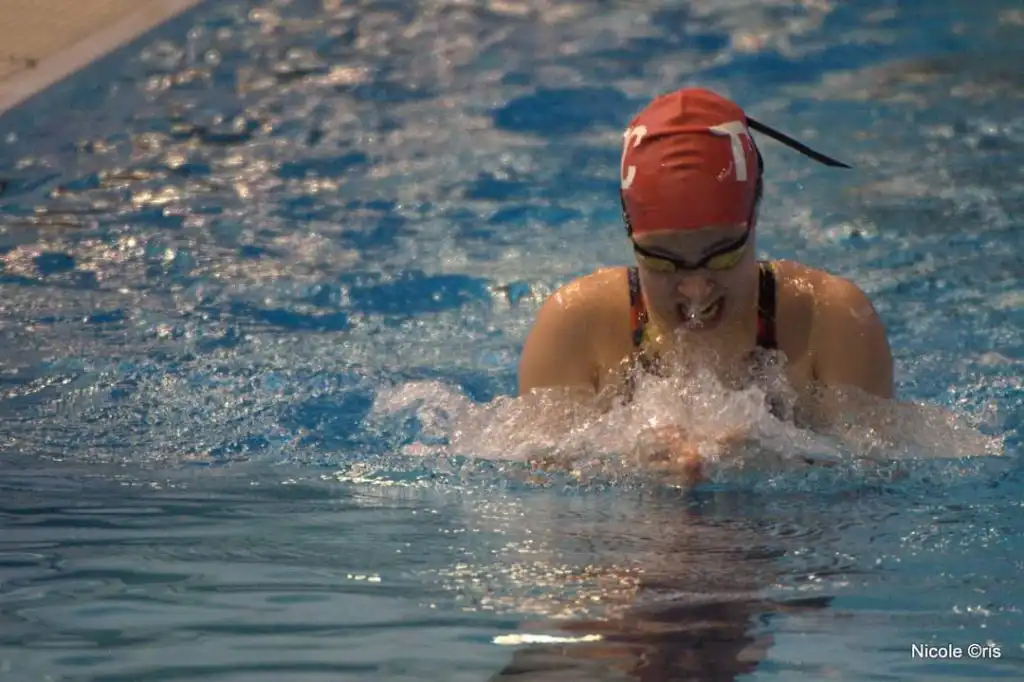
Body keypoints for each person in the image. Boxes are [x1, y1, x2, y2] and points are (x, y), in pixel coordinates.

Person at [517, 87, 895, 474]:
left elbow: (879, 487)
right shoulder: (577, 324)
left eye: (723, 255)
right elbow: (538, 493)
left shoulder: (831, 320)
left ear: (755, 217)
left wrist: (771, 464)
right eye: (662, 261)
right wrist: (634, 475)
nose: (696, 290)